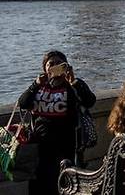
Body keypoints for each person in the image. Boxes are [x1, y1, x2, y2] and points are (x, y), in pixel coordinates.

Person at [19, 51, 96, 195]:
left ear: (66, 66)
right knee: (39, 185)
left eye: (59, 63)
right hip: (40, 146)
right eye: (50, 64)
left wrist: (74, 82)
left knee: (63, 186)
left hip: (65, 145)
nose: (54, 66)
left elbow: (90, 101)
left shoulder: (72, 85)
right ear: (44, 68)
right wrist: (35, 84)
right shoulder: (39, 86)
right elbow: (23, 103)